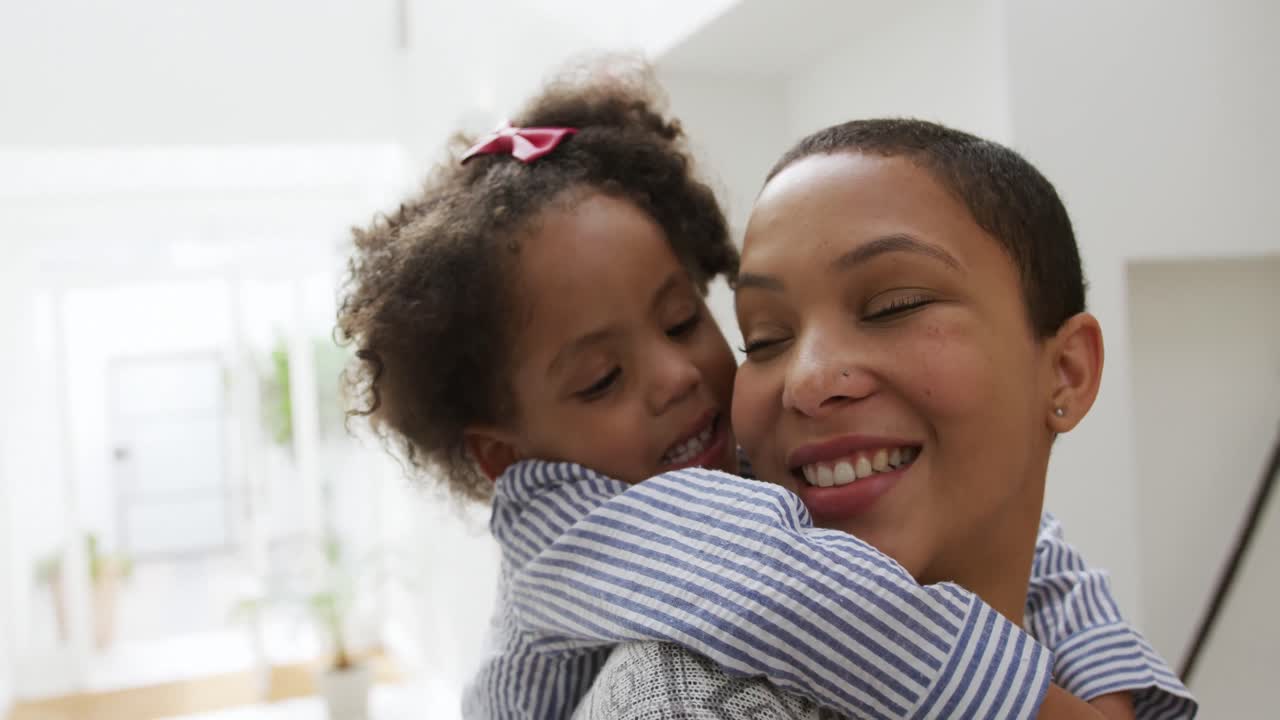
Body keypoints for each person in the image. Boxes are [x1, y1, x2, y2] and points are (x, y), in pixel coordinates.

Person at [335, 61, 1190, 719]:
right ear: (504, 454)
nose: (677, 377)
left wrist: (1113, 685)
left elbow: (1045, 552)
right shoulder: (583, 527)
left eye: (684, 323)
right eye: (600, 379)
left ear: (1065, 371)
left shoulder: (714, 462)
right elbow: (794, 594)